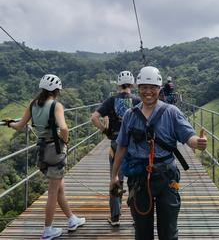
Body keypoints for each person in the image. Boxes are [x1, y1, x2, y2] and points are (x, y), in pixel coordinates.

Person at [110, 66, 207, 240]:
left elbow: (188, 136)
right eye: (144, 87)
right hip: (139, 177)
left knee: (168, 232)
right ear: (137, 88)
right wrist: (114, 176)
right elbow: (122, 146)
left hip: (166, 175)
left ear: (159, 89)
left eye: (153, 88)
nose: (148, 92)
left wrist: (197, 143)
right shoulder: (130, 115)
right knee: (142, 232)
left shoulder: (171, 112)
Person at [5, 74, 85, 240]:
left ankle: (71, 219)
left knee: (59, 187)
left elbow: (20, 125)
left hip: (42, 151)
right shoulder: (56, 105)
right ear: (57, 90)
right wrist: (65, 141)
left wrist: (9, 123)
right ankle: (47, 229)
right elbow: (64, 128)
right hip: (55, 151)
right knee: (53, 192)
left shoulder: (33, 104)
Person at [91, 70, 140, 227]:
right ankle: (137, 217)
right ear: (132, 84)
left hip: (116, 144)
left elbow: (94, 117)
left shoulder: (111, 100)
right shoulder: (138, 100)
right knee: (135, 180)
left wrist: (105, 131)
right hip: (133, 146)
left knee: (116, 180)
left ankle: (115, 217)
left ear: (118, 84)